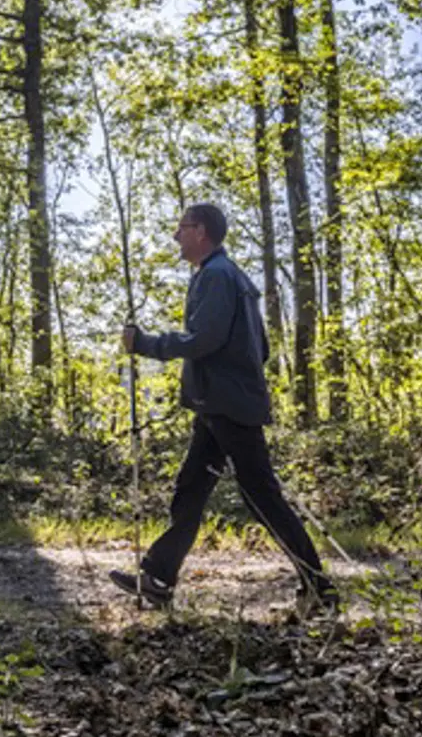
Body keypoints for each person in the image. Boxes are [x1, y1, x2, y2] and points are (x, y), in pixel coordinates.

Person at [110, 203, 337, 615]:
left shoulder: (216, 276)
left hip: (228, 406)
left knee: (262, 497)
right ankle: (159, 578)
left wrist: (145, 344)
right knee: (191, 490)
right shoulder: (231, 277)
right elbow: (261, 348)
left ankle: (319, 587)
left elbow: (203, 339)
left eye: (181, 228)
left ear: (201, 231)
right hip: (220, 404)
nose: (176, 237)